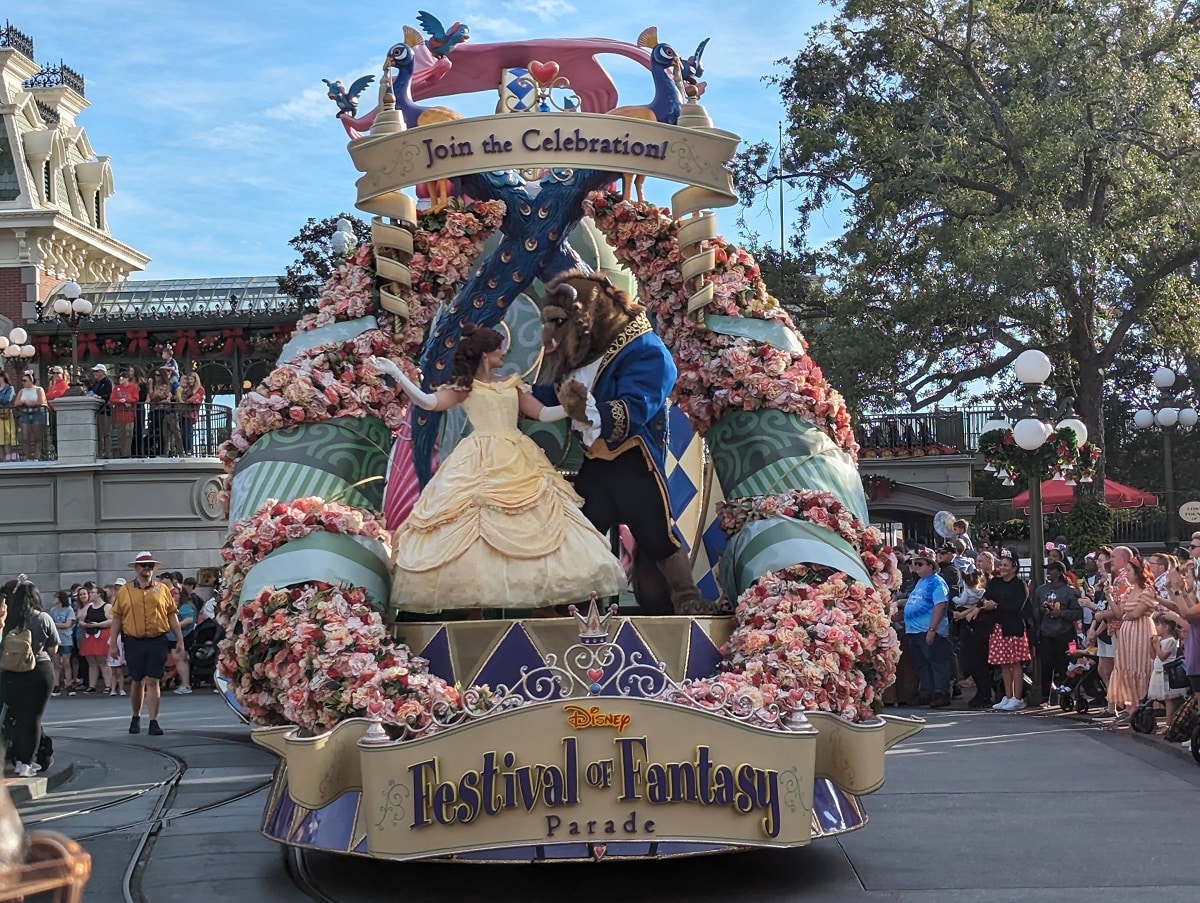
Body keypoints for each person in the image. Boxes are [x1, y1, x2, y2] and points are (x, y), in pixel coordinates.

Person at [374, 325, 625, 613]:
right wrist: (398, 375)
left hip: (516, 455)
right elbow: (429, 403)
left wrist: (572, 409)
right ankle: (475, 609)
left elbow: (542, 414)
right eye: (498, 348)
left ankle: (541, 603)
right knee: (472, 521)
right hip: (477, 458)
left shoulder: (512, 384)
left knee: (533, 518)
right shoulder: (465, 388)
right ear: (485, 354)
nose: (503, 352)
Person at [110, 552, 186, 735]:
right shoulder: (125, 591)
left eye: (150, 566)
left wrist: (180, 639)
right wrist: (113, 644)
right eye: (143, 566)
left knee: (153, 679)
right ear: (136, 568)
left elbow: (171, 615)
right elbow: (117, 618)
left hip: (157, 640)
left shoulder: (162, 589)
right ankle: (135, 717)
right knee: (137, 680)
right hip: (133, 641)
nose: (147, 569)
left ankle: (153, 720)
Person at [0, 580, 58, 777]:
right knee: (33, 718)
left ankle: (16, 759)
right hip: (39, 670)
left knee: (17, 716)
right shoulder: (43, 618)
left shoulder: (9, 619)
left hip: (11, 672)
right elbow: (53, 647)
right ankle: (27, 763)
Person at [1106, 552, 1155, 721]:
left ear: (1139, 572)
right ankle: (1129, 706)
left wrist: (1128, 615)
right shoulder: (1129, 591)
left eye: (1129, 571)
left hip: (1141, 631)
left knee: (1139, 666)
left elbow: (1136, 613)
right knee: (1126, 666)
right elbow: (1120, 613)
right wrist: (1109, 597)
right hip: (1127, 633)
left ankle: (1140, 707)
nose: (1126, 573)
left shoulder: (1148, 591)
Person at [902, 548, 953, 707]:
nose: (916, 567)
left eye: (919, 563)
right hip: (915, 631)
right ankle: (926, 692)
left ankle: (941, 693)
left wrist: (932, 629)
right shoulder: (920, 582)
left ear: (930, 566)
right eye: (914, 564)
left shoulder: (937, 582)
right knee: (922, 664)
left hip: (930, 630)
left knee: (937, 662)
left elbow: (940, 605)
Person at [984, 548, 1032, 711]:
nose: (1002, 567)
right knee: (1003, 663)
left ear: (1014, 567)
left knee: (1015, 663)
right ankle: (1008, 695)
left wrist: (996, 605)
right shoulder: (995, 582)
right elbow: (987, 597)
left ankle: (1017, 698)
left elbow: (1017, 606)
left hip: (1013, 628)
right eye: (1001, 564)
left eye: (1005, 565)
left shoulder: (1020, 585)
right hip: (998, 627)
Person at [1032, 560, 1082, 705]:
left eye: (1052, 570)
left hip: (1064, 634)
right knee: (1046, 667)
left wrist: (1061, 613)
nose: (1048, 572)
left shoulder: (1069, 591)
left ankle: (1065, 697)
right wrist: (1042, 610)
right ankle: (1044, 698)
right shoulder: (1041, 590)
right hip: (1046, 634)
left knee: (1065, 666)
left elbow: (1077, 613)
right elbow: (1033, 611)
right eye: (1047, 569)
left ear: (1060, 572)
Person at [1148, 613, 1187, 728]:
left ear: (1166, 627)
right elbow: (1153, 656)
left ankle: (1168, 724)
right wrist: (1152, 644)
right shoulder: (1160, 639)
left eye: (1158, 625)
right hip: (1158, 671)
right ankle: (1169, 722)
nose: (1156, 628)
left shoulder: (1171, 641)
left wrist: (1156, 645)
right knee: (1166, 700)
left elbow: (1162, 656)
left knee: (1169, 700)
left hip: (1167, 673)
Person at [77, 586, 114, 694]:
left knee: (103, 661)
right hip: (89, 635)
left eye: (93, 592)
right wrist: (86, 625)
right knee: (91, 662)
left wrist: (98, 624)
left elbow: (111, 620)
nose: (91, 594)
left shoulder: (107, 606)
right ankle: (92, 685)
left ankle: (108, 685)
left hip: (102, 635)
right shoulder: (89, 607)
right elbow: (81, 620)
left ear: (99, 594)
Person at [166, 584, 196, 695]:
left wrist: (175, 625)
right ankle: (184, 683)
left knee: (180, 659)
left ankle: (186, 684)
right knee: (179, 659)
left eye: (177, 593)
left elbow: (189, 619)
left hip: (183, 636)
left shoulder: (185, 606)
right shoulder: (178, 605)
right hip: (175, 637)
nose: (174, 595)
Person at [48, 590, 76, 697]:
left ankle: (69, 684)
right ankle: (56, 685)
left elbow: (67, 624)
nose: (54, 599)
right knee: (56, 663)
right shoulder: (53, 610)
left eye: (56, 597)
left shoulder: (69, 610)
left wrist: (54, 624)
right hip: (55, 638)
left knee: (66, 663)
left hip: (66, 639)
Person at [15, 370, 47, 461]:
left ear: (31, 380)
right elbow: (16, 402)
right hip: (25, 413)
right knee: (25, 437)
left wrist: (31, 403)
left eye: (25, 381)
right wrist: (23, 402)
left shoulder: (38, 389)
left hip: (37, 413)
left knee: (37, 437)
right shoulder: (22, 391)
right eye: (22, 381)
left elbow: (41, 401)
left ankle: (37, 456)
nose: (23, 383)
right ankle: (27, 457)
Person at [149, 368, 181, 456]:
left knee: (166, 432)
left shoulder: (166, 385)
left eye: (158, 375)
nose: (156, 377)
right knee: (157, 431)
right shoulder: (155, 385)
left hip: (163, 410)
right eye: (155, 375)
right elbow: (152, 396)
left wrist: (155, 397)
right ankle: (160, 451)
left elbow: (159, 396)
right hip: (154, 410)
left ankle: (172, 451)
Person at [86, 363, 114, 458]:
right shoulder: (96, 383)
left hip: (105, 410)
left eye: (96, 371)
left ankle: (107, 452)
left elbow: (108, 395)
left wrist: (100, 397)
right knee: (98, 433)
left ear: (102, 372)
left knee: (105, 432)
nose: (95, 373)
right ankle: (99, 452)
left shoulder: (107, 382)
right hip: (97, 411)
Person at [111, 370, 141, 458]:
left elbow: (135, 398)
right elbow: (112, 399)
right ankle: (123, 453)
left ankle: (127, 454)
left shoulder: (133, 387)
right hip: (119, 415)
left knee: (129, 434)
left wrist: (126, 400)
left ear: (127, 379)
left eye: (122, 378)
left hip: (129, 415)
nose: (120, 380)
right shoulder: (116, 388)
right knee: (121, 435)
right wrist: (122, 401)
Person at [178, 373, 205, 456]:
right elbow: (181, 398)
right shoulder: (187, 389)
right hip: (183, 413)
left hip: (192, 414)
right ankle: (185, 450)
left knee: (188, 432)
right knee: (183, 432)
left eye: (191, 379)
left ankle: (189, 450)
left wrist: (187, 401)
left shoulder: (200, 389)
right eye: (189, 379)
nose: (190, 381)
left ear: (195, 380)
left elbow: (196, 399)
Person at [0, 371, 15, 462]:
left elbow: (7, 400)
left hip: (6, 415)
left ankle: (8, 461)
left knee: (7, 439)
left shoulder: (9, 388)